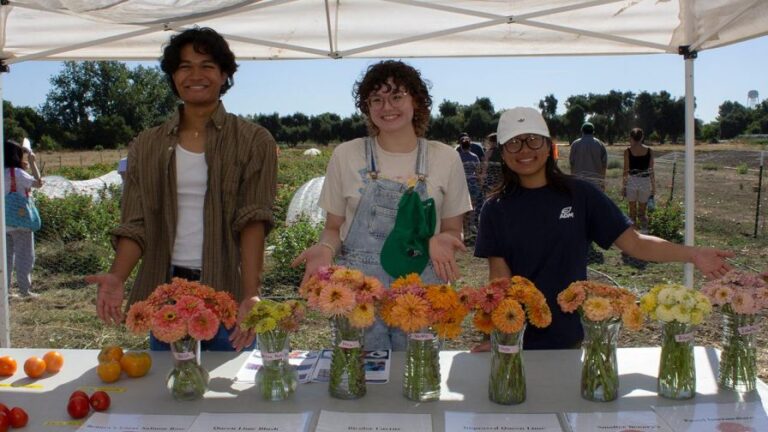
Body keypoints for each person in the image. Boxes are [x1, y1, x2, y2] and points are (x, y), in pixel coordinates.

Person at [474, 107, 733, 350]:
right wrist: (494, 333)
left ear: (549, 145)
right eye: (514, 142)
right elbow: (499, 281)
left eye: (533, 139)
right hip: (517, 339)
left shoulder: (581, 195)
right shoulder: (495, 209)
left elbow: (635, 243)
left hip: (571, 335)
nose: (524, 149)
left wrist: (692, 254)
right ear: (504, 154)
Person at [85, 27, 278, 351]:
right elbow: (136, 223)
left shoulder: (252, 140)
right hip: (166, 290)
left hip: (226, 286)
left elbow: (253, 220)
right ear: (173, 75)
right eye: (185, 66)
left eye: (206, 65)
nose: (195, 75)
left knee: (228, 387)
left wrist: (251, 293)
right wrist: (117, 276)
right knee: (170, 389)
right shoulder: (147, 145)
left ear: (224, 74)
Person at [292, 60, 471, 351]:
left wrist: (444, 239)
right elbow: (334, 228)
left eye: (397, 96)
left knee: (415, 376)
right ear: (367, 107)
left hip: (420, 291)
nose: (387, 106)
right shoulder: (346, 155)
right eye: (376, 99)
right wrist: (325, 250)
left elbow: (453, 229)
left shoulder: (445, 158)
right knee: (362, 376)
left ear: (417, 101)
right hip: (360, 293)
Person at [4, 139, 43, 298]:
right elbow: (39, 183)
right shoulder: (17, 173)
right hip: (21, 222)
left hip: (4, 223)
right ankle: (24, 290)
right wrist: (32, 162)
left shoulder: (2, 172)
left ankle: (5, 291)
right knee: (25, 257)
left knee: (6, 259)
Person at [623, 127, 655, 232]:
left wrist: (623, 186)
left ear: (631, 137)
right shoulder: (650, 151)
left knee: (632, 212)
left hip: (632, 181)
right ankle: (645, 233)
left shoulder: (627, 151)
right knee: (642, 212)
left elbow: (625, 171)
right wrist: (653, 186)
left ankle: (634, 235)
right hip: (645, 182)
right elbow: (651, 170)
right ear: (642, 137)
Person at [569, 122, 607, 190]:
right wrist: (602, 181)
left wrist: (573, 180)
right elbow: (604, 165)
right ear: (593, 132)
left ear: (582, 131)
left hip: (579, 182)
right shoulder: (600, 144)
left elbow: (572, 164)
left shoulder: (575, 144)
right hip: (596, 183)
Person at [458, 135, 482, 238]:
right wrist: (480, 183)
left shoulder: (458, 156)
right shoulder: (474, 156)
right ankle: (472, 225)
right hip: (472, 183)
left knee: (462, 206)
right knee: (472, 206)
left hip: (461, 184)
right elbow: (478, 172)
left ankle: (465, 229)